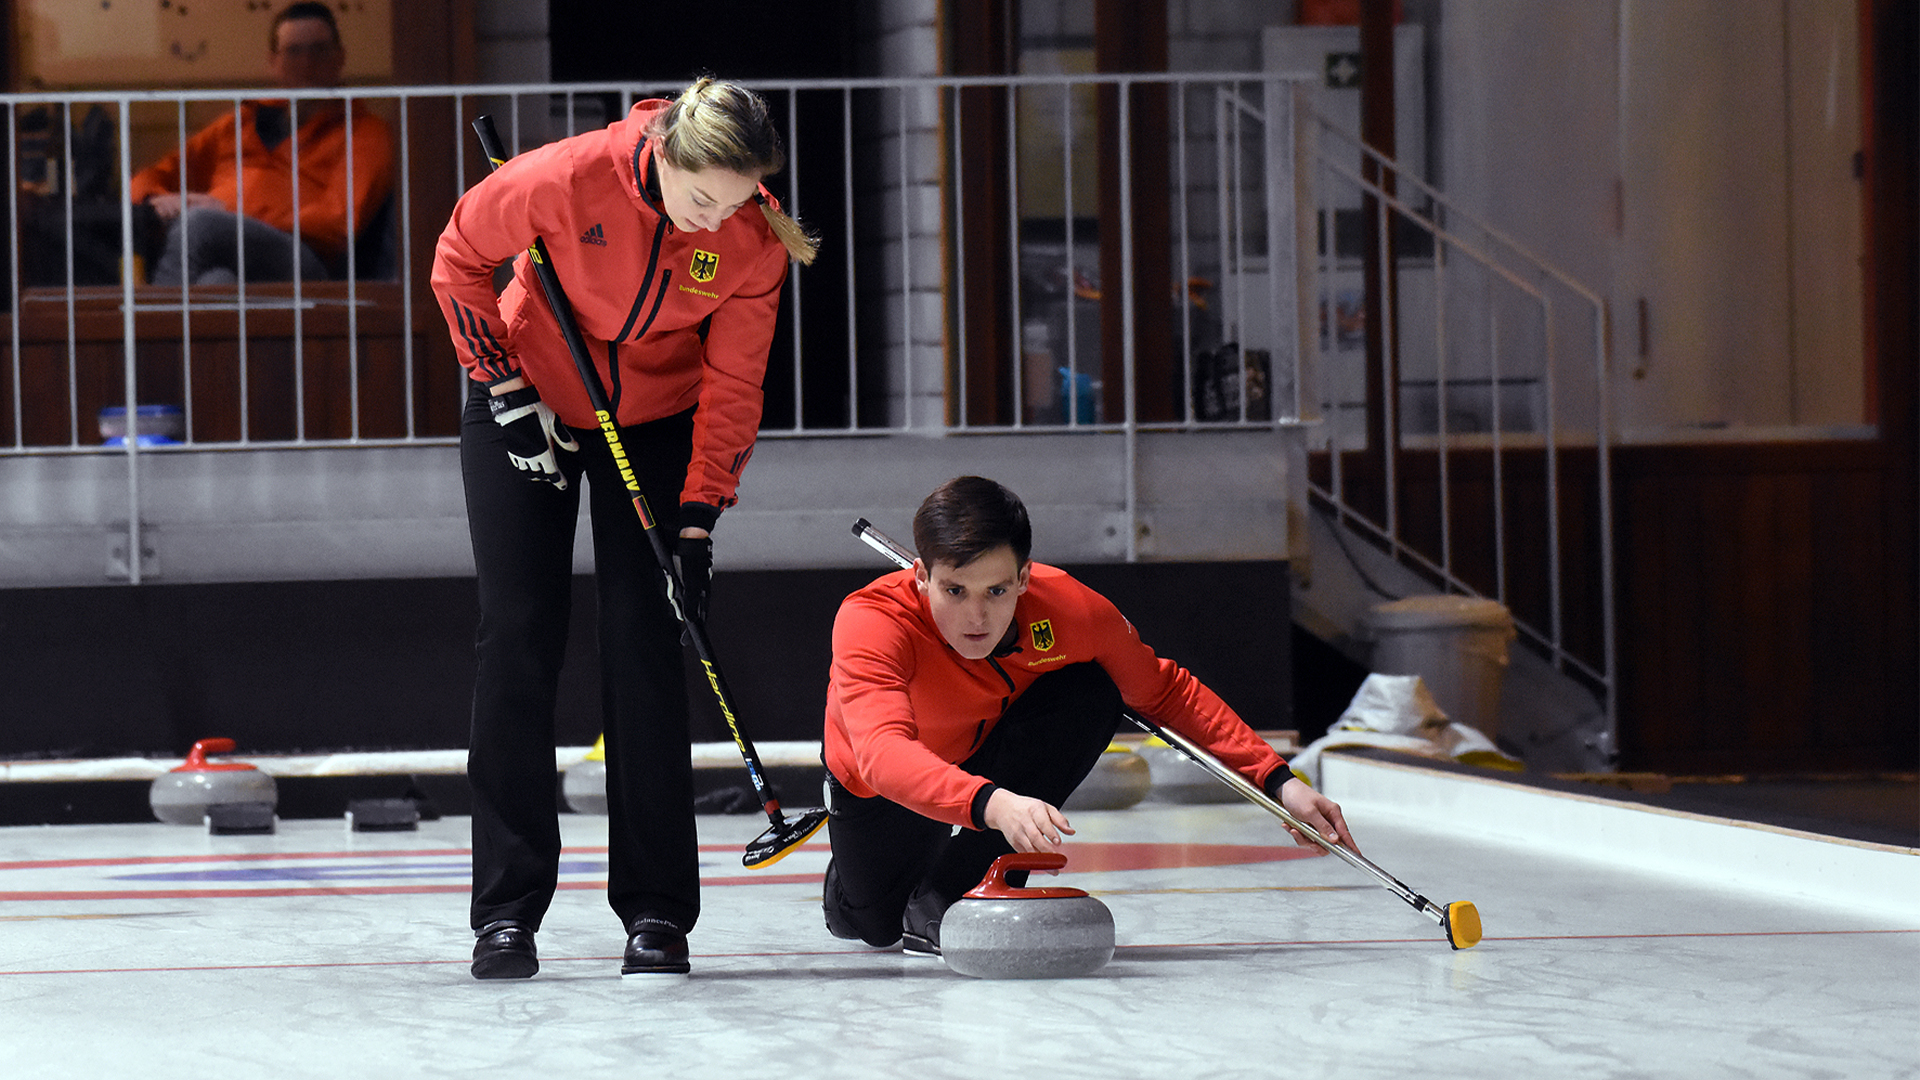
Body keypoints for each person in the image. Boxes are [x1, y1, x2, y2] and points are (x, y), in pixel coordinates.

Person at [431, 77, 816, 980]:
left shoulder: (753, 238)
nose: (716, 222)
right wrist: (501, 385)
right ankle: (506, 913)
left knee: (646, 642)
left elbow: (735, 384)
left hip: (655, 420)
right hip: (528, 396)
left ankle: (656, 911)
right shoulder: (567, 176)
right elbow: (458, 256)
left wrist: (700, 520)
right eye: (702, 199)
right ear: (667, 154)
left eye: (735, 203)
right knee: (518, 636)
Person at [821, 476, 1358, 955]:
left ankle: (949, 889)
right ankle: (853, 889)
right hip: (882, 782)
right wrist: (993, 803)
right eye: (954, 591)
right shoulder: (872, 621)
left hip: (980, 755)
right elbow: (882, 753)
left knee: (1093, 690)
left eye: (997, 591)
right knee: (874, 926)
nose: (976, 616)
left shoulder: (1070, 610)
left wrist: (1280, 781)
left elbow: (1166, 693)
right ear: (921, 576)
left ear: (1024, 577)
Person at [128, 2, 393, 285]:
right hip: (227, 249)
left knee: (197, 224)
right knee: (216, 282)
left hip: (304, 258)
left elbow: (337, 222)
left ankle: (152, 315)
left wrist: (230, 214)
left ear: (340, 57)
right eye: (293, 51)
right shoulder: (241, 122)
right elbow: (152, 175)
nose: (306, 63)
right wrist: (155, 200)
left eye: (319, 50)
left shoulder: (365, 132)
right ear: (273, 62)